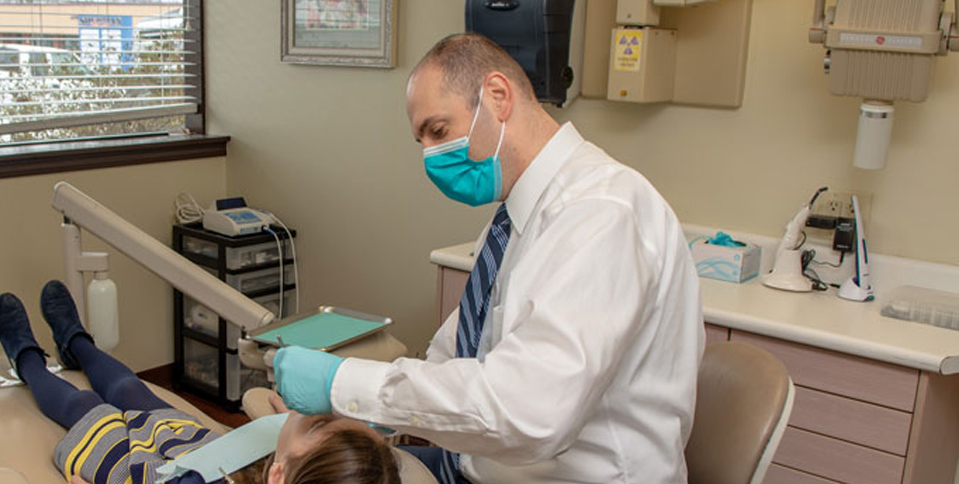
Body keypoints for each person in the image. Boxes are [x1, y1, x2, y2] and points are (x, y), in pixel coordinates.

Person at [274, 33, 704, 484]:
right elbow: (456, 357)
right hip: (487, 465)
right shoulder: (515, 221)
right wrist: (365, 409)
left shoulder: (601, 214)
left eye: (438, 131)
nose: (430, 157)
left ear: (498, 96)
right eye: (420, 140)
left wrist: (343, 383)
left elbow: (530, 412)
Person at [0, 280, 401, 484]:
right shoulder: (292, 467)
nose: (310, 411)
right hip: (199, 451)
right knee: (133, 390)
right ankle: (76, 342)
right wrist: (293, 419)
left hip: (137, 471)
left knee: (86, 409)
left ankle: (26, 359)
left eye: (318, 421)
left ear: (277, 474)